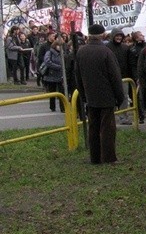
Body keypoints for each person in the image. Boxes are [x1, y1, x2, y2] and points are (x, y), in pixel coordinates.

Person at [75, 24, 126, 164]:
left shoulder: (81, 52)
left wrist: (83, 95)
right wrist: (119, 96)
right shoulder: (106, 52)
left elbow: (78, 76)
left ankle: (95, 157)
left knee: (93, 128)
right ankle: (109, 158)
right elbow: (115, 77)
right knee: (107, 129)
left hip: (90, 96)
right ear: (103, 35)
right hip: (106, 96)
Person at [41, 36, 66, 112]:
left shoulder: (63, 53)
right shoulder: (49, 52)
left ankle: (63, 108)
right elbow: (47, 62)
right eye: (59, 45)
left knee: (62, 92)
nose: (60, 47)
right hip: (51, 75)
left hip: (60, 75)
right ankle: (52, 107)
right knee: (52, 92)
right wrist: (59, 67)